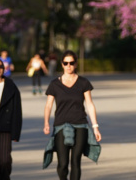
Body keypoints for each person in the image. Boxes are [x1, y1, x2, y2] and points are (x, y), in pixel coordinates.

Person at [43, 50, 101, 180]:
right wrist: (46, 122)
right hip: (60, 126)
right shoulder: (54, 84)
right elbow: (48, 105)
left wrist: (95, 126)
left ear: (75, 64)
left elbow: (90, 104)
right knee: (62, 163)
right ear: (62, 64)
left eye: (71, 63)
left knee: (76, 161)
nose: (68, 65)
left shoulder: (83, 83)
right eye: (65, 63)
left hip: (80, 125)